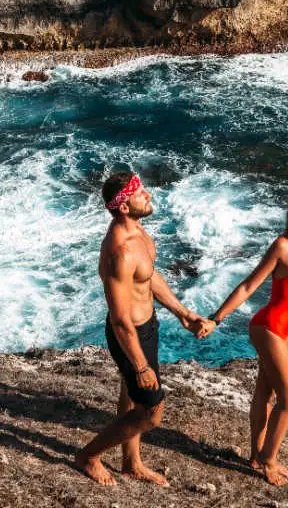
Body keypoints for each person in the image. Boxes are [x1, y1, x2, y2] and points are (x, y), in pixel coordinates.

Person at [75, 171, 216, 487]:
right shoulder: (120, 251)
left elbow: (148, 276)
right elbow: (120, 319)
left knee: (131, 397)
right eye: (139, 193)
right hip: (129, 335)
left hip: (147, 326)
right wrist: (140, 365)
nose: (148, 195)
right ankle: (88, 456)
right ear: (124, 206)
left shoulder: (138, 231)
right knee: (151, 412)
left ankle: (131, 463)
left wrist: (182, 313)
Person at [203, 187, 288, 486]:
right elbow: (248, 286)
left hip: (285, 333)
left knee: (266, 394)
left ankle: (255, 455)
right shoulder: (283, 246)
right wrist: (216, 318)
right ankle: (268, 459)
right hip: (266, 328)